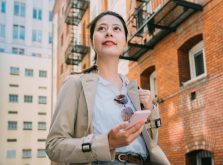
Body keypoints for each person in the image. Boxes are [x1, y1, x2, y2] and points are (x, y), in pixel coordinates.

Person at [46, 11, 170, 165]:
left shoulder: (134, 90)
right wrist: (107, 143)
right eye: (102, 29)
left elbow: (151, 143)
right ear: (93, 42)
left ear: (125, 42)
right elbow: (53, 146)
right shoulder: (76, 84)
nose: (109, 32)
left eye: (116, 29)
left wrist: (150, 109)